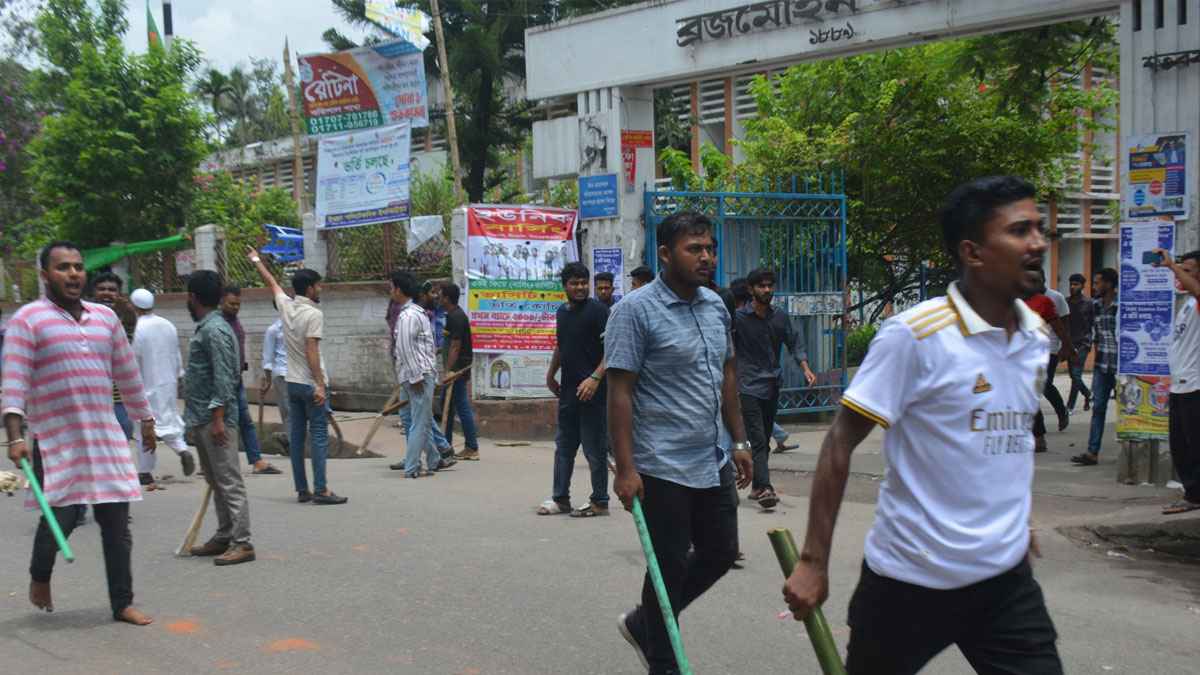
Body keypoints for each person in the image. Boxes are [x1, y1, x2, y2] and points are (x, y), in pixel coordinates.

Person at [783, 176, 1062, 674]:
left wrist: (1017, 519)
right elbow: (840, 441)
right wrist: (813, 561)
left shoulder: (1037, 336)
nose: (1038, 243)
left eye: (1038, 229)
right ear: (973, 252)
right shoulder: (915, 336)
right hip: (907, 585)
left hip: (1004, 584)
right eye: (1020, 231)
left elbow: (1005, 443)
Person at [607, 212, 754, 675]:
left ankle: (644, 623)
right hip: (659, 462)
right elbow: (620, 390)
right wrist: (626, 468)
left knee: (721, 552)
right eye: (695, 249)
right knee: (667, 565)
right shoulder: (634, 310)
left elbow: (728, 374)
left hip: (710, 457)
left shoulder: (715, 306)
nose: (706, 257)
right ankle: (663, 663)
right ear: (666, 254)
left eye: (710, 248)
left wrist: (740, 440)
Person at [3, 241, 156, 625]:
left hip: (104, 437)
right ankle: (41, 576)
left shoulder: (105, 319)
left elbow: (127, 373)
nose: (73, 274)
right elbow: (15, 382)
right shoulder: (28, 320)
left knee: (117, 528)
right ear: (45, 275)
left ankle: (122, 603)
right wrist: (15, 436)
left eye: (78, 267)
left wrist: (146, 420)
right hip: (58, 441)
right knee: (63, 517)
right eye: (63, 267)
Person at [248, 249, 347, 505]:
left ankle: (302, 490)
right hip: (309, 383)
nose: (321, 289)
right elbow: (312, 350)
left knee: (296, 437)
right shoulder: (314, 314)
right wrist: (320, 385)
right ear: (310, 288)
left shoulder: (286, 307)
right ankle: (322, 490)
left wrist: (257, 260)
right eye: (318, 286)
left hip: (291, 383)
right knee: (318, 437)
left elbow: (272, 283)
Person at [182, 271, 256, 565]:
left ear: (192, 297)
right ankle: (225, 534)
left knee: (228, 480)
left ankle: (242, 542)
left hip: (216, 419)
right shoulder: (208, 327)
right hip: (203, 416)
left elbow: (225, 378)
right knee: (216, 479)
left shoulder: (215, 331)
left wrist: (218, 419)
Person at [734, 267, 816, 510]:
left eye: (770, 285)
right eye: (761, 286)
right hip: (747, 386)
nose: (767, 290)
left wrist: (805, 368)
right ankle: (766, 488)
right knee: (758, 439)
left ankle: (757, 486)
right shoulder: (738, 319)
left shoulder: (779, 317)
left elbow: (793, 342)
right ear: (751, 289)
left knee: (764, 437)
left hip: (771, 385)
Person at [540, 262, 610, 517]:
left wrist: (594, 378)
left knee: (594, 450)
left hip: (594, 394)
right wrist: (550, 375)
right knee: (564, 447)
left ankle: (600, 501)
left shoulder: (599, 312)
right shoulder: (562, 313)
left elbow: (612, 349)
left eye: (583, 283)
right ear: (565, 286)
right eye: (574, 283)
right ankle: (561, 498)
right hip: (568, 392)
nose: (580, 287)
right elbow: (562, 345)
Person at [129, 288, 195, 486]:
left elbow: (133, 360)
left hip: (146, 385)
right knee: (169, 421)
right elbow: (176, 354)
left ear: (134, 307)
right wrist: (178, 375)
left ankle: (145, 471)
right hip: (168, 383)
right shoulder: (168, 325)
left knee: (145, 427)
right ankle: (182, 449)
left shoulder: (138, 329)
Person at [1154, 249, 1200, 514]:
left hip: (1194, 385)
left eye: (1188, 269)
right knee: (1179, 445)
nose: (1182, 272)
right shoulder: (1187, 305)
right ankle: (1191, 492)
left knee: (1193, 447)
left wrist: (1172, 265)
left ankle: (1194, 495)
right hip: (1179, 383)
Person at [220, 285, 280, 475]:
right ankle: (216, 463)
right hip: (223, 382)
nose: (235, 307)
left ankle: (257, 461)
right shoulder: (217, 324)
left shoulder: (235, 321)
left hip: (236, 380)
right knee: (223, 423)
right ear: (221, 302)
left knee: (245, 421)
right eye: (231, 303)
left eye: (238, 304)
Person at [391, 270, 443, 478]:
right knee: (420, 423)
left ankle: (434, 459)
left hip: (416, 373)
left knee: (421, 420)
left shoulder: (410, 314)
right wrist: (416, 377)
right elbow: (405, 347)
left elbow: (409, 348)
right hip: (418, 375)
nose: (391, 292)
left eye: (392, 287)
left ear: (400, 290)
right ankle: (412, 467)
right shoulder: (411, 315)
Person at [1070, 267, 1118, 467]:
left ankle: (1128, 452)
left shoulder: (1122, 305)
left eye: (1098, 282)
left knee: (1127, 408)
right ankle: (1092, 452)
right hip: (1101, 364)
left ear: (1108, 284)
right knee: (1098, 408)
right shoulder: (1095, 305)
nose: (1095, 286)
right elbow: (1090, 329)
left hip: (1121, 366)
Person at [1025, 271, 1072, 452]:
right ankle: (1034, 433)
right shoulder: (1013, 300)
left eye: (1037, 280)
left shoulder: (1048, 300)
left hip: (1047, 350)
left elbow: (1061, 325)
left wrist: (1067, 346)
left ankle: (1041, 433)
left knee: (1041, 387)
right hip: (1020, 356)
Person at [441, 283, 480, 461]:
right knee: (446, 406)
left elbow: (456, 346)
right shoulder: (452, 315)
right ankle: (446, 445)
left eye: (440, 294)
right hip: (455, 369)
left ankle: (471, 447)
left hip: (457, 370)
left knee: (461, 406)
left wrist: (449, 371)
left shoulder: (457, 317)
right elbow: (450, 343)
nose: (437, 297)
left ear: (447, 298)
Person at [1065, 273, 1094, 413]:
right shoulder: (1066, 302)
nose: (1072, 287)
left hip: (1083, 343)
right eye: (1071, 284)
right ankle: (1088, 394)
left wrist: (1090, 342)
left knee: (1076, 375)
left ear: (1082, 286)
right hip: (1070, 343)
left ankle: (1069, 406)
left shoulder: (1089, 303)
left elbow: (1094, 323)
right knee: (1073, 375)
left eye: (1075, 284)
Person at [260, 312, 289, 444]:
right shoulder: (273, 330)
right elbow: (268, 358)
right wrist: (268, 380)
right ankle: (292, 441)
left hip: (299, 375)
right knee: (288, 411)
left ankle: (291, 439)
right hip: (282, 374)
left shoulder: (299, 327)